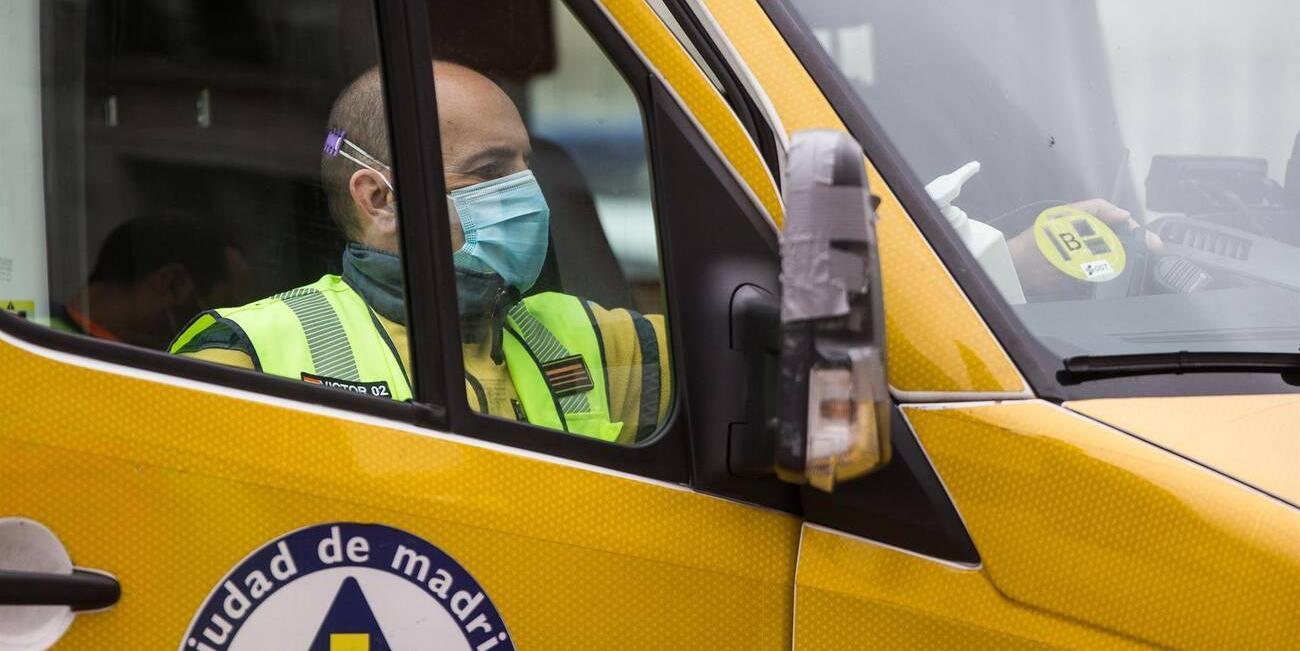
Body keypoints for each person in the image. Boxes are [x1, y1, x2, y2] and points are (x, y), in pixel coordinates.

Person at [169, 62, 669, 445]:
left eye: (526, 166)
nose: (530, 191)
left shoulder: (595, 337)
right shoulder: (246, 354)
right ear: (379, 199)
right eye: (490, 171)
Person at [52, 213, 250, 349]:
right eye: (222, 308)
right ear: (173, 285)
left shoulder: (44, 333)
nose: (224, 332)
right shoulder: (100, 363)